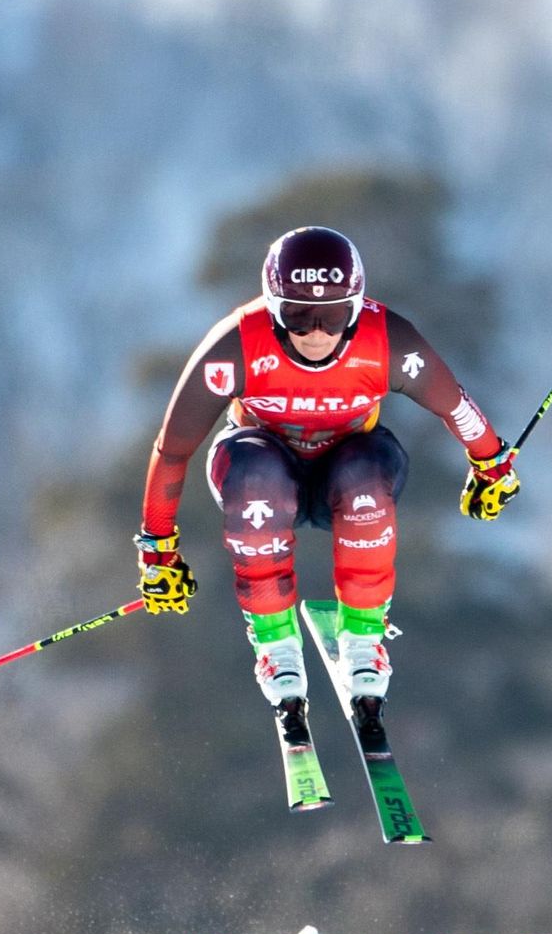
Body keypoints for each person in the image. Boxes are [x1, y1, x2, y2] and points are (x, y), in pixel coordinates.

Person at [132, 226, 515, 742]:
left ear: (357, 307)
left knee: (364, 477)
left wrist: (491, 463)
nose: (315, 332)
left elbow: (455, 406)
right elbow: (174, 448)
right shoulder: (236, 345)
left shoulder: (389, 341)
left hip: (348, 468)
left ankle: (364, 641)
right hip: (261, 466)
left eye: (333, 316)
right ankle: (276, 649)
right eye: (296, 314)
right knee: (257, 478)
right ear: (272, 308)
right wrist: (157, 548)